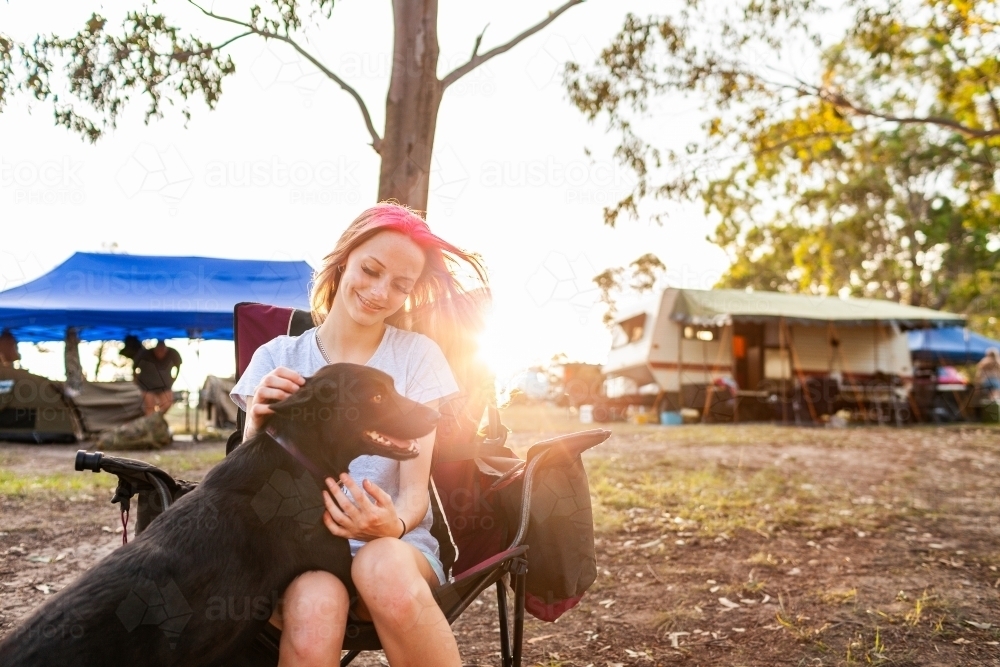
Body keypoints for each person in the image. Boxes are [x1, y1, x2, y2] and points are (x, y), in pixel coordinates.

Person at [229, 202, 490, 667]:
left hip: (396, 548)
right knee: (315, 601)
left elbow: (414, 493)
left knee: (381, 565)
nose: (378, 292)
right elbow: (247, 489)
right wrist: (255, 424)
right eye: (370, 270)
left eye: (400, 285)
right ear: (343, 259)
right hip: (298, 552)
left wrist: (391, 526)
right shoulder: (278, 357)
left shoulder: (417, 356)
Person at [133, 339, 183, 415]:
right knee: (149, 408)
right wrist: (137, 381)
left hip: (165, 386)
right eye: (159, 350)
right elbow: (134, 368)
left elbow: (178, 367)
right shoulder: (144, 354)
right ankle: (150, 423)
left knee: (167, 403)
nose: (160, 353)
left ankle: (158, 418)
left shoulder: (173, 353)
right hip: (147, 386)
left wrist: (173, 379)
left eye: (163, 350)